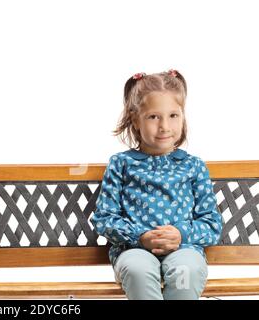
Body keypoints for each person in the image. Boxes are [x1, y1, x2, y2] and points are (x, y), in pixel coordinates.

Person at [91, 70, 222, 300]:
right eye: (153, 117)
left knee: (187, 272)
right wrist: (140, 236)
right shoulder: (121, 164)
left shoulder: (193, 166)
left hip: (184, 250)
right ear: (135, 119)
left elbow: (211, 224)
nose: (165, 126)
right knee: (138, 271)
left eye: (173, 115)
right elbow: (104, 219)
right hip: (134, 251)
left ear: (183, 116)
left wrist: (181, 234)